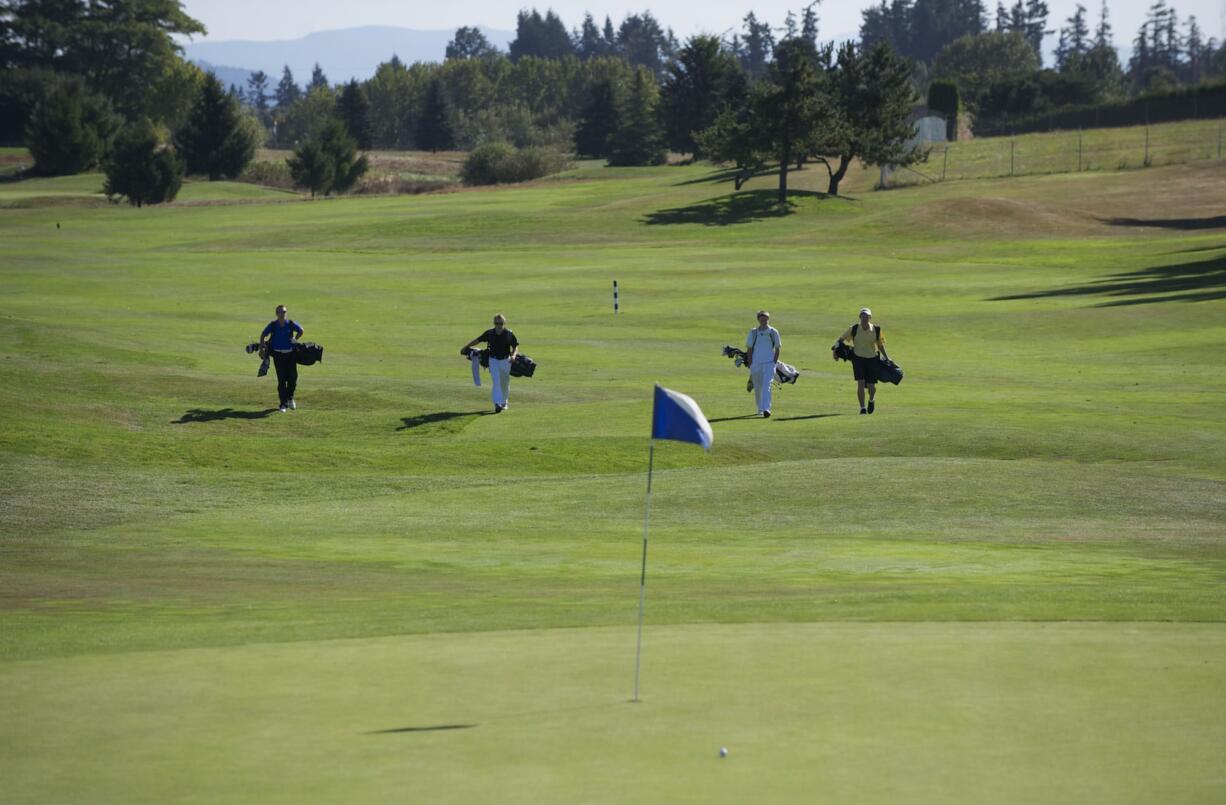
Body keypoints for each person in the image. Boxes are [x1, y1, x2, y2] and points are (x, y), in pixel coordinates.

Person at [833, 307, 888, 415]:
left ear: (870, 317)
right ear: (859, 317)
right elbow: (840, 340)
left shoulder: (876, 329)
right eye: (862, 316)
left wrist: (887, 357)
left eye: (866, 316)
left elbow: (880, 345)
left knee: (871, 386)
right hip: (858, 359)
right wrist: (835, 352)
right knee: (861, 383)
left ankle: (871, 400)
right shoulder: (854, 328)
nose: (864, 318)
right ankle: (862, 408)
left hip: (872, 359)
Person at [462, 314, 519, 413]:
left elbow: (515, 346)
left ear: (504, 323)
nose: (498, 325)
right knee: (496, 382)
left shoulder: (509, 334)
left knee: (504, 383)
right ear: (494, 323)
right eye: (496, 323)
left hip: (506, 361)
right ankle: (497, 404)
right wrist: (466, 346)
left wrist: (513, 356)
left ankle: (504, 402)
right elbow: (478, 340)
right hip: (493, 361)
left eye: (500, 323)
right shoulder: (490, 333)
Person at [259, 304, 303, 413]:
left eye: (284, 312)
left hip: (290, 354)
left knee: (293, 377)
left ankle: (290, 398)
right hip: (278, 355)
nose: (282, 314)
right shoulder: (273, 325)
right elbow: (263, 335)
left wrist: (295, 338)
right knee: (281, 379)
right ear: (276, 314)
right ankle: (283, 404)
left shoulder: (290, 324)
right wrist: (262, 348)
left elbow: (301, 330)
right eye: (279, 312)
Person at [746, 310, 781, 418]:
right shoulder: (753, 332)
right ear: (758, 320)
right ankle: (760, 409)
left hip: (769, 364)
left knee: (767, 385)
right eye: (762, 319)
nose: (764, 321)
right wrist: (751, 364)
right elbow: (749, 349)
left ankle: (766, 409)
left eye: (766, 319)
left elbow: (777, 348)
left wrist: (773, 363)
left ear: (768, 320)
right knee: (758, 388)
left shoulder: (773, 332)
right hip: (756, 364)